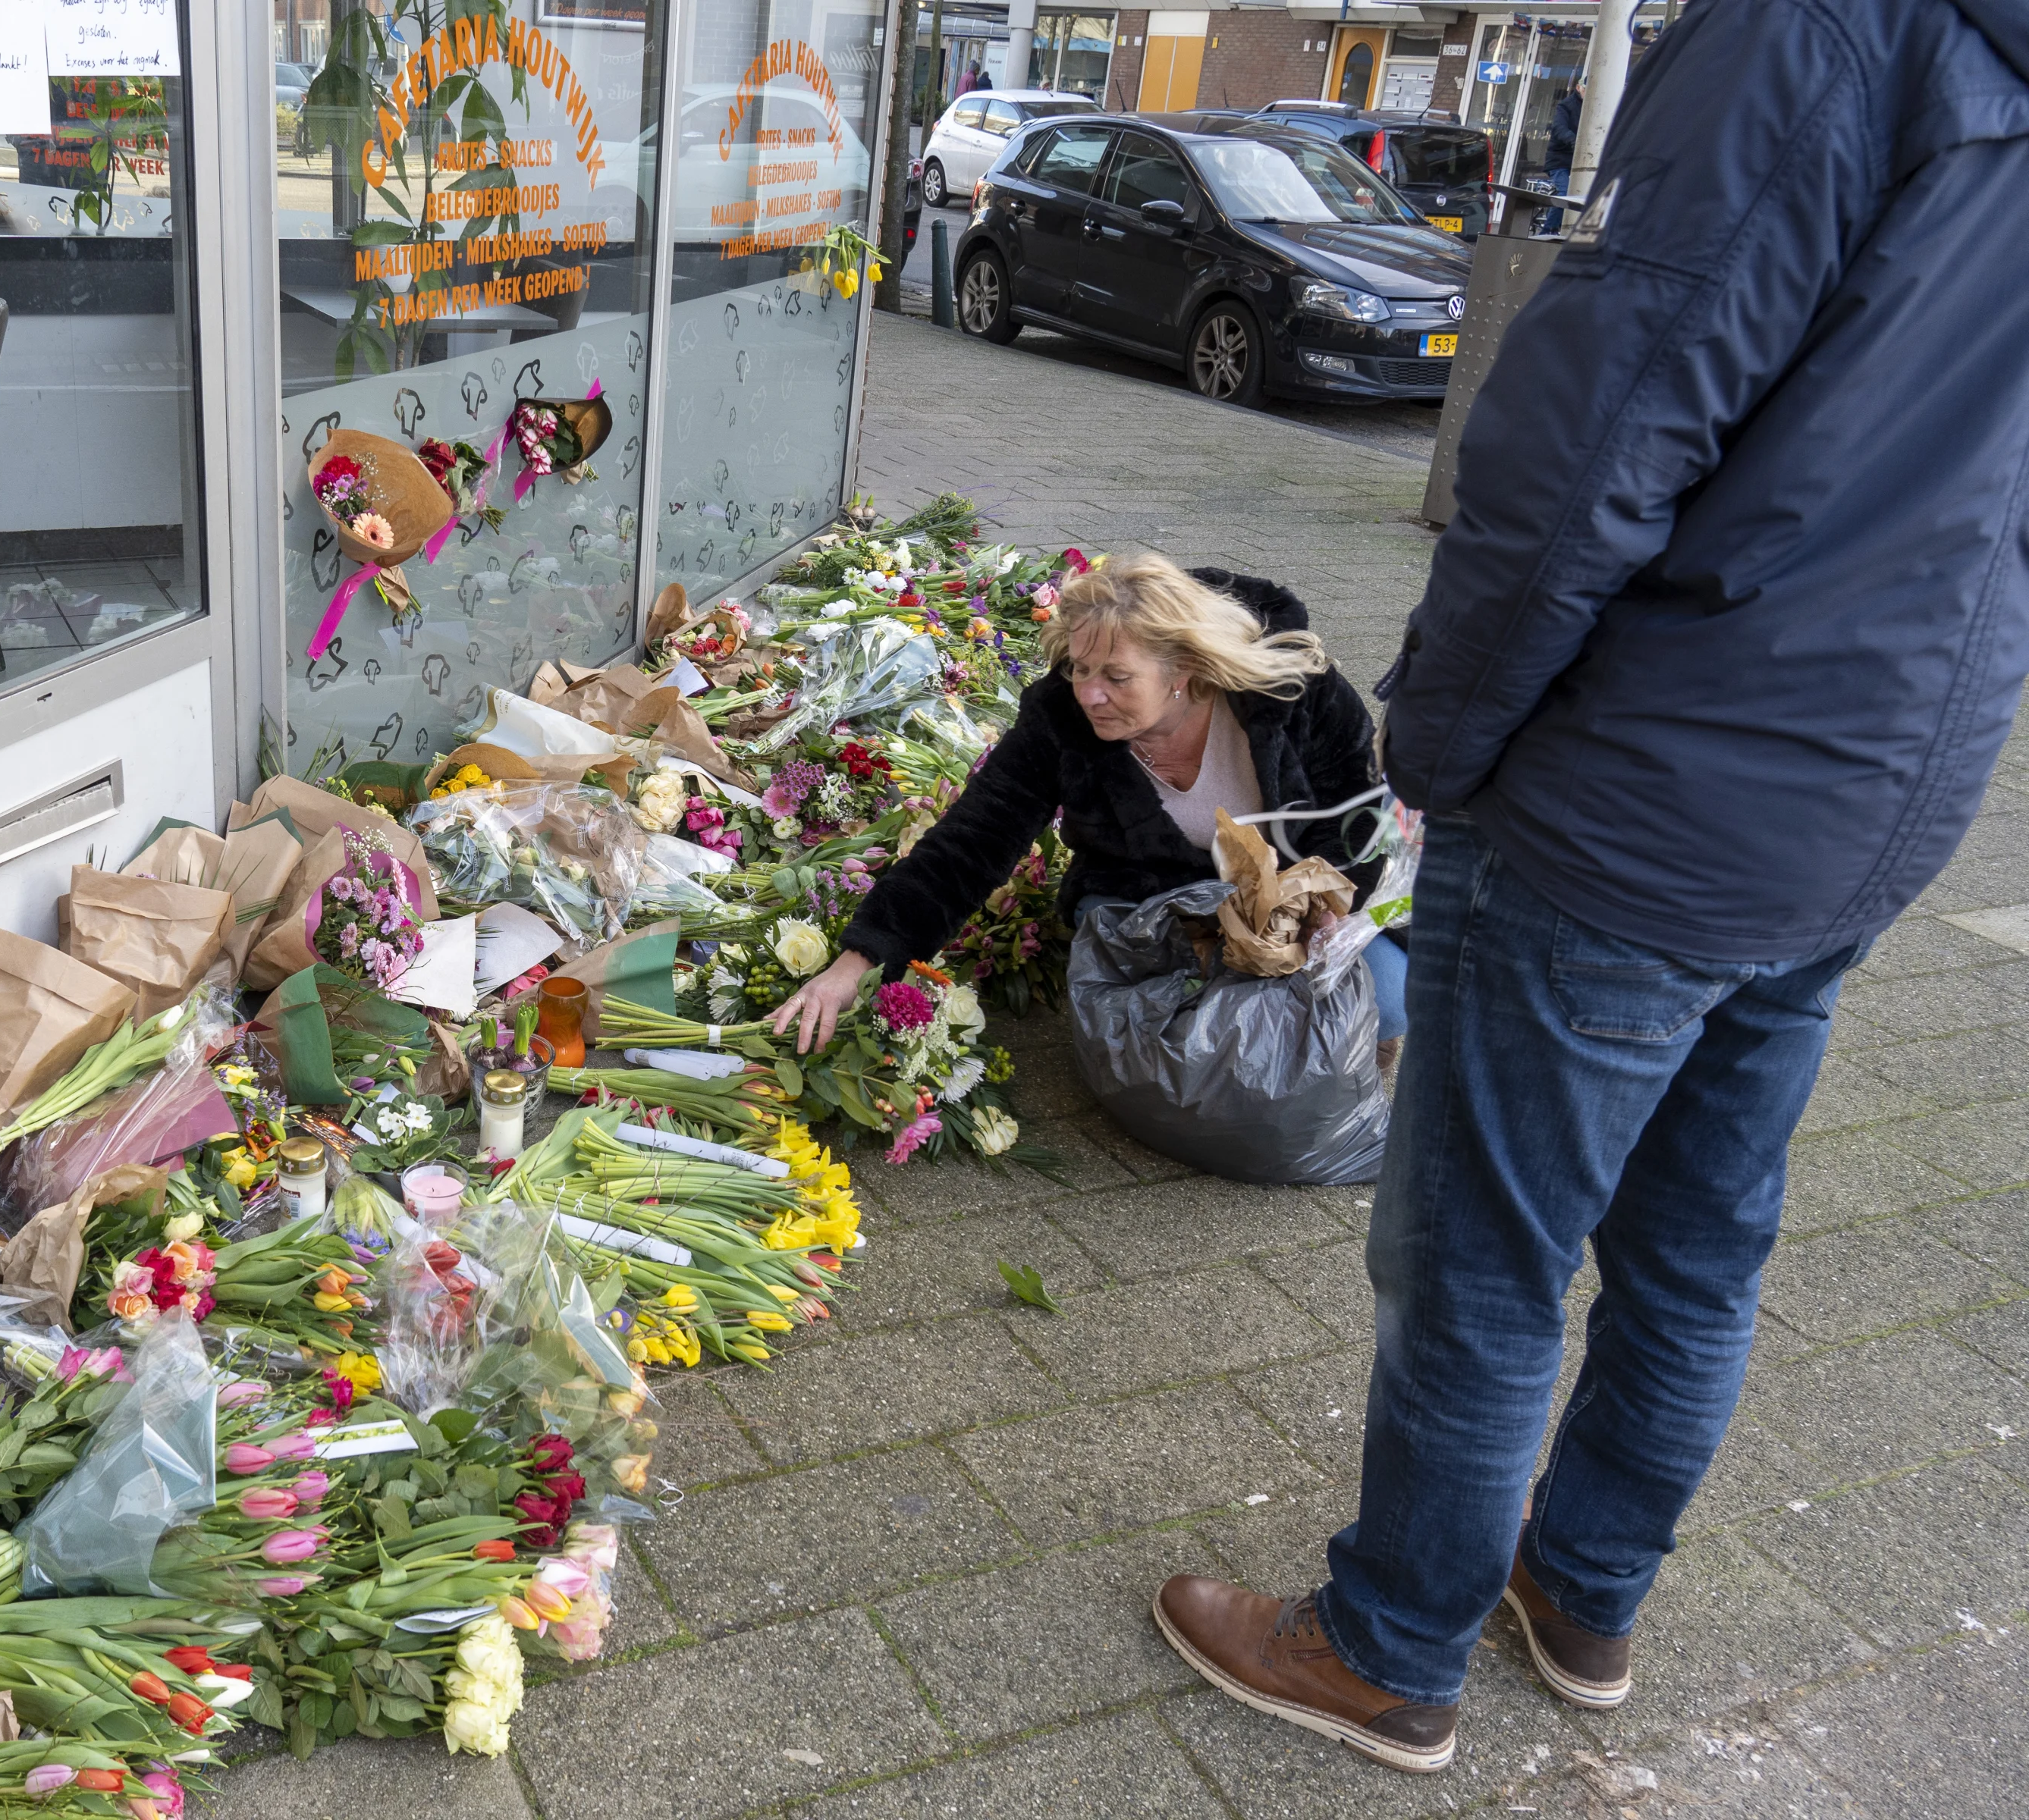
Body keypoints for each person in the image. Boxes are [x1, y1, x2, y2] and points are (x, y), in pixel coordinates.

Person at [1151, 0, 2029, 1775]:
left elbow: (1591, 435)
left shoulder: (1822, 38)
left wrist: (1442, 735)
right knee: (1699, 1240)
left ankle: (1389, 1642)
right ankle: (1581, 1590)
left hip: (1648, 784)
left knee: (1479, 1253)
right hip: (1875, 776)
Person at [768, 553, 1403, 1057]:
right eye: (1079, 669)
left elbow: (1361, 823)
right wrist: (860, 961)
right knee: (1157, 1039)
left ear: (1183, 670)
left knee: (1390, 999)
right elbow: (972, 843)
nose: (1091, 696)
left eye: (1116, 677)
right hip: (1148, 905)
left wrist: (1321, 915)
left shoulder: (1294, 695)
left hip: (1294, 911)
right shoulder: (1060, 719)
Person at [1539, 76, 1583, 231]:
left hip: (1581, 160)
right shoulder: (1566, 106)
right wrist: (1573, 140)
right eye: (1585, 90)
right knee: (1565, 193)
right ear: (1578, 88)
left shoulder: (1596, 107)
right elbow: (1559, 128)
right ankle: (1546, 232)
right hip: (1560, 160)